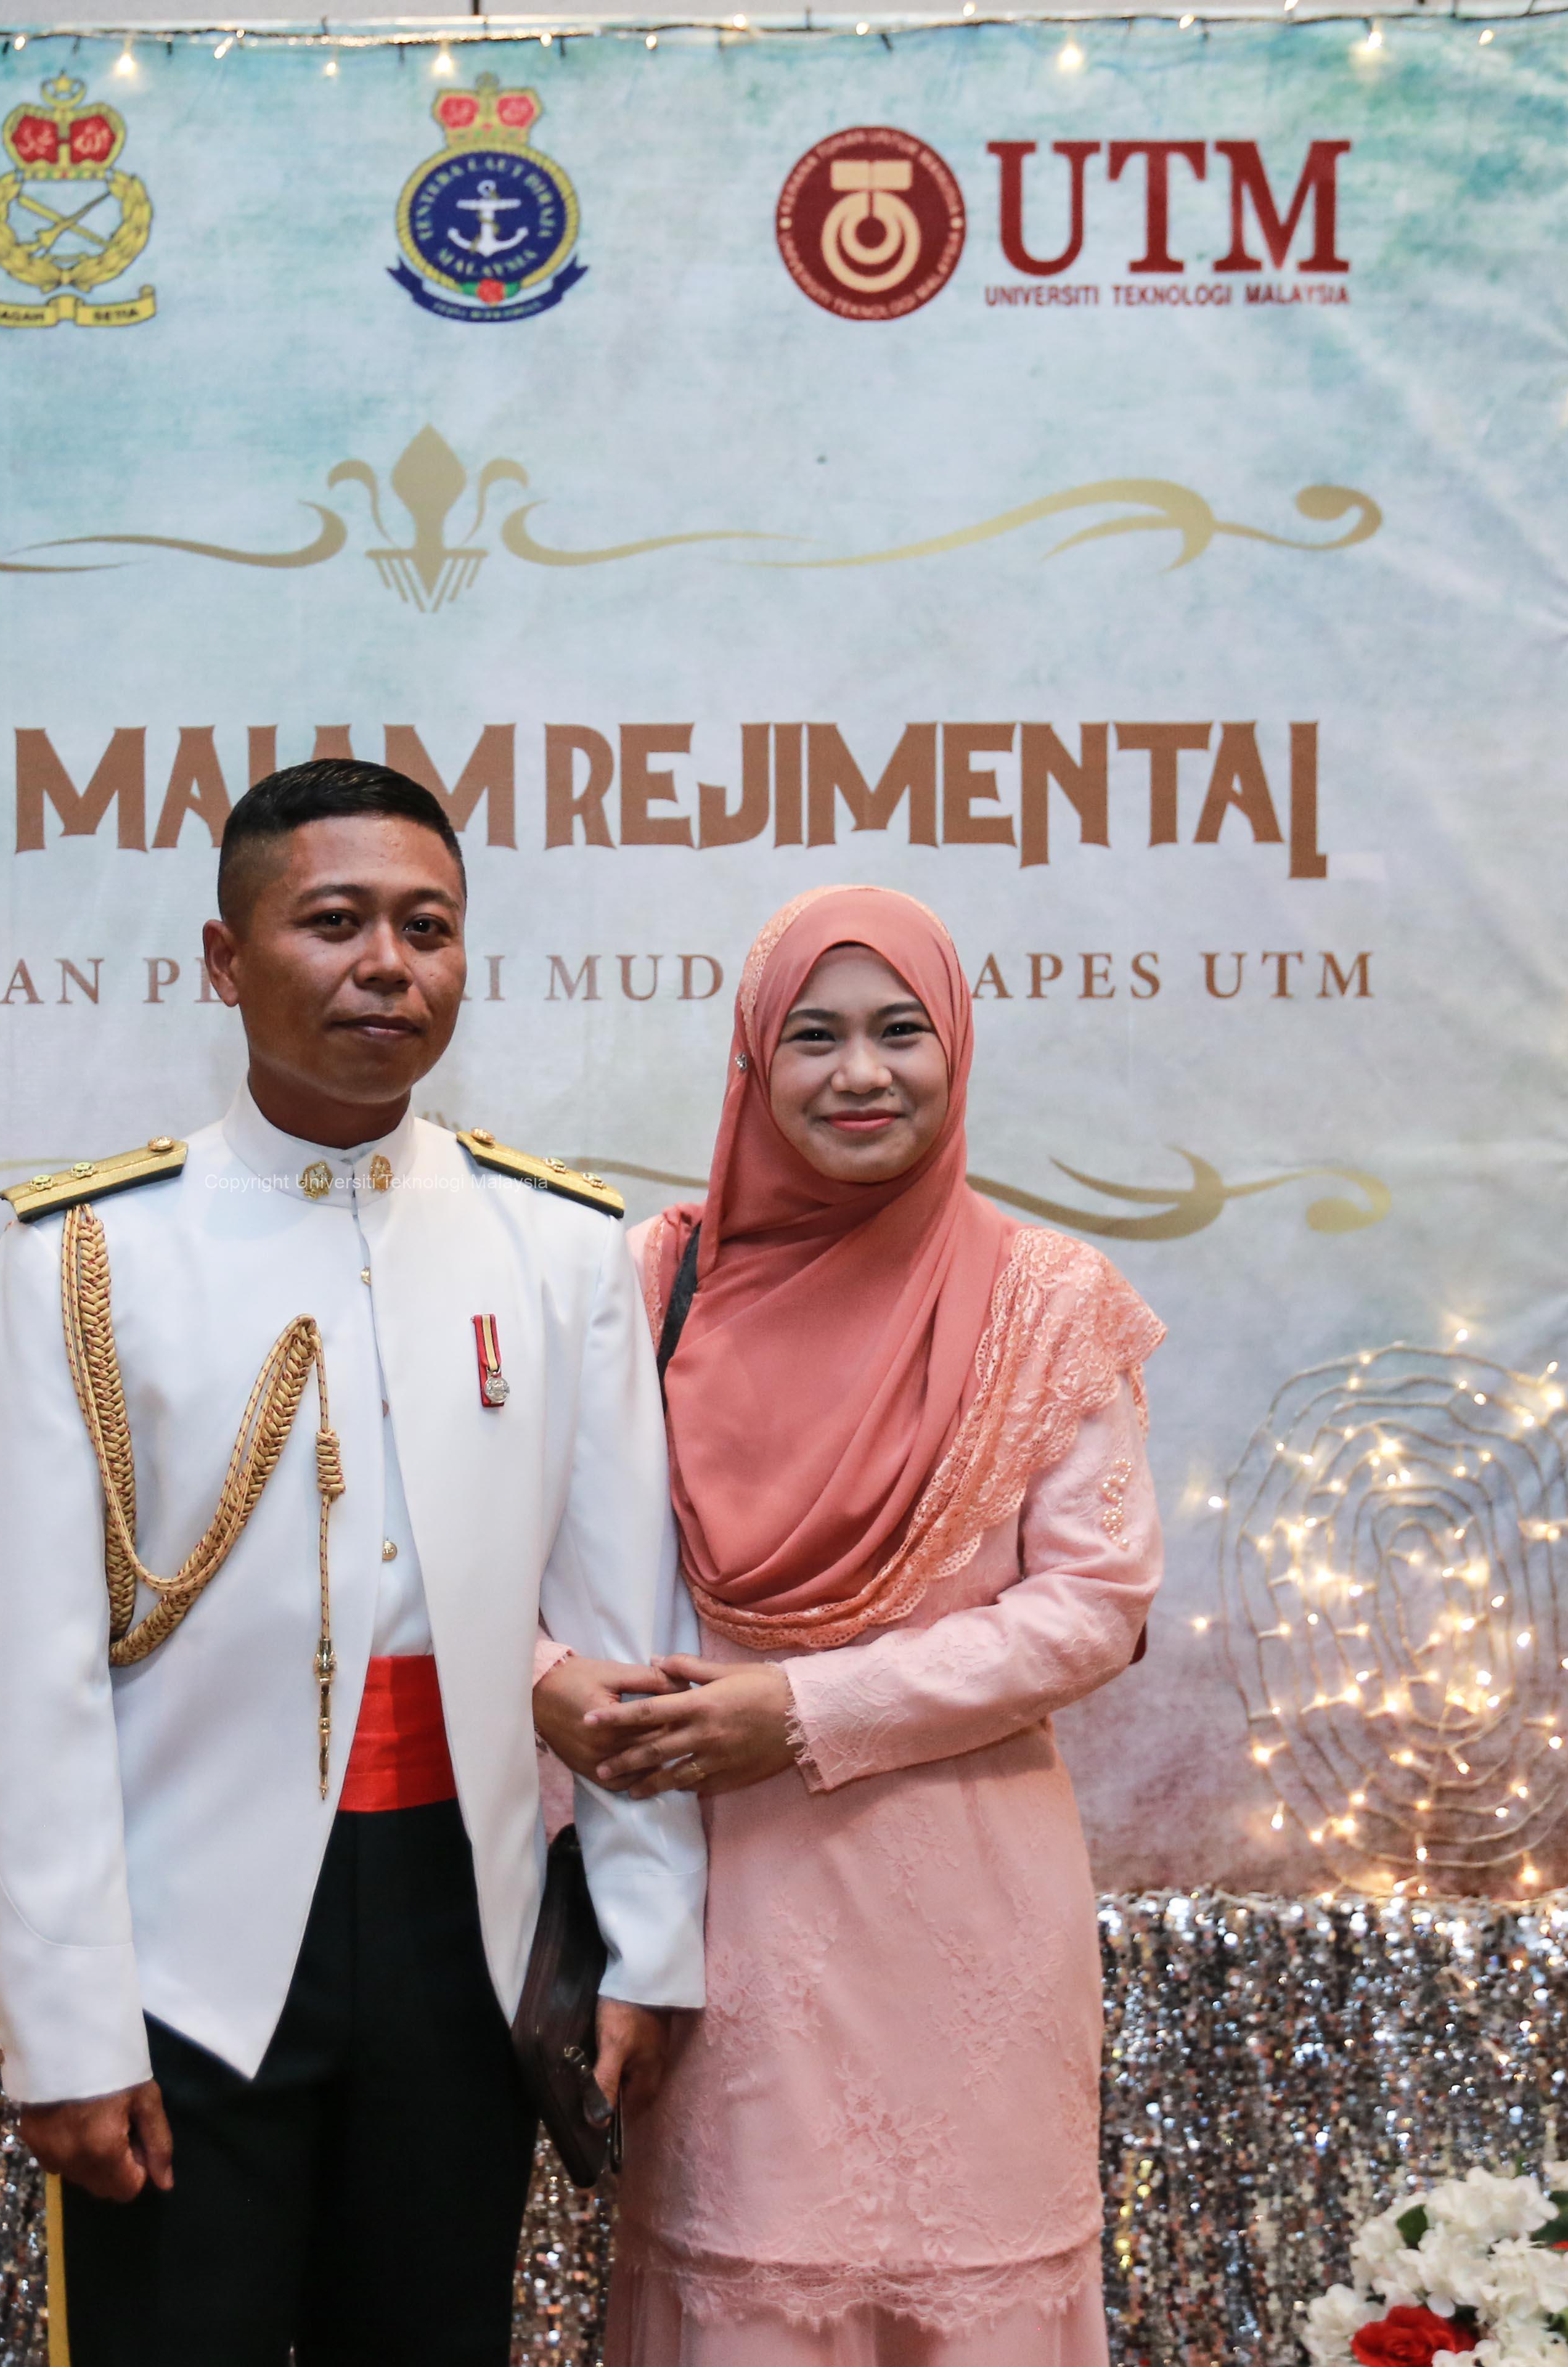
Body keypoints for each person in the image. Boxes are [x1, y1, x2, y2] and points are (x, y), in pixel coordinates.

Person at [0, 759, 708, 2367]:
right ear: (226, 960)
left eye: (427, 929)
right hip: (186, 1950)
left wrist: (650, 1941)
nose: (388, 965)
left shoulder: (559, 1246)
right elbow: (34, 1686)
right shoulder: (87, 1256)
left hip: (468, 1935)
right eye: (336, 923)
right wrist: (68, 2030)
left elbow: (624, 1637)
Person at [538, 885, 1164, 2367]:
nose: (861, 1074)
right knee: (751, 2293)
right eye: (814, 1037)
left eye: (901, 1032)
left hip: (969, 1920)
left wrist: (807, 1708)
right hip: (717, 1918)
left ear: (957, 1049)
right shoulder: (647, 1282)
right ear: (755, 1062)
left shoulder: (1048, 1301)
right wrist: (547, 1682)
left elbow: (1094, 1606)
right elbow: (506, 1555)